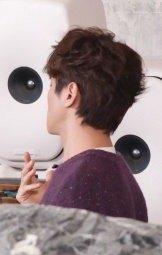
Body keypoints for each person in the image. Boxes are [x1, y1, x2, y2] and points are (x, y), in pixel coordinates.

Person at [16, 27, 148, 221]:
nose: (48, 96)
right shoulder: (119, 176)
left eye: (52, 85)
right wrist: (44, 206)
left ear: (70, 94)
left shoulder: (78, 183)